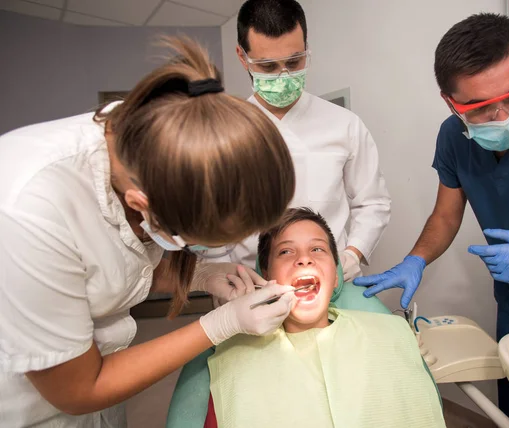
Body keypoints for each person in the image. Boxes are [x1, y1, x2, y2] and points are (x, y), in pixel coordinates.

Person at [0, 36, 299, 427]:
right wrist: (221, 325)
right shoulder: (30, 210)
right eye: (205, 243)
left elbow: (113, 266)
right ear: (143, 205)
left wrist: (204, 275)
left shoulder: (162, 135)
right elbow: (77, 390)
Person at [355, 13, 509, 427]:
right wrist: (415, 259)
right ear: (451, 102)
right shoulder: (453, 137)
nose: (503, 116)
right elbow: (446, 215)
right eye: (482, 107)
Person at [204, 208, 445, 428]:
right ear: (265, 276)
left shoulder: (390, 335)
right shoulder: (235, 361)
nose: (304, 259)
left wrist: (406, 346)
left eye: (317, 249)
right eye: (286, 251)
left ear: (337, 275)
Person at [224, 0, 391, 283]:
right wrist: (223, 274)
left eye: (294, 61)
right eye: (267, 66)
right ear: (243, 57)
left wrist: (352, 255)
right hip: (250, 283)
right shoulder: (224, 130)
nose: (284, 75)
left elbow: (372, 202)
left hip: (328, 282)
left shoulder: (344, 124)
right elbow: (209, 217)